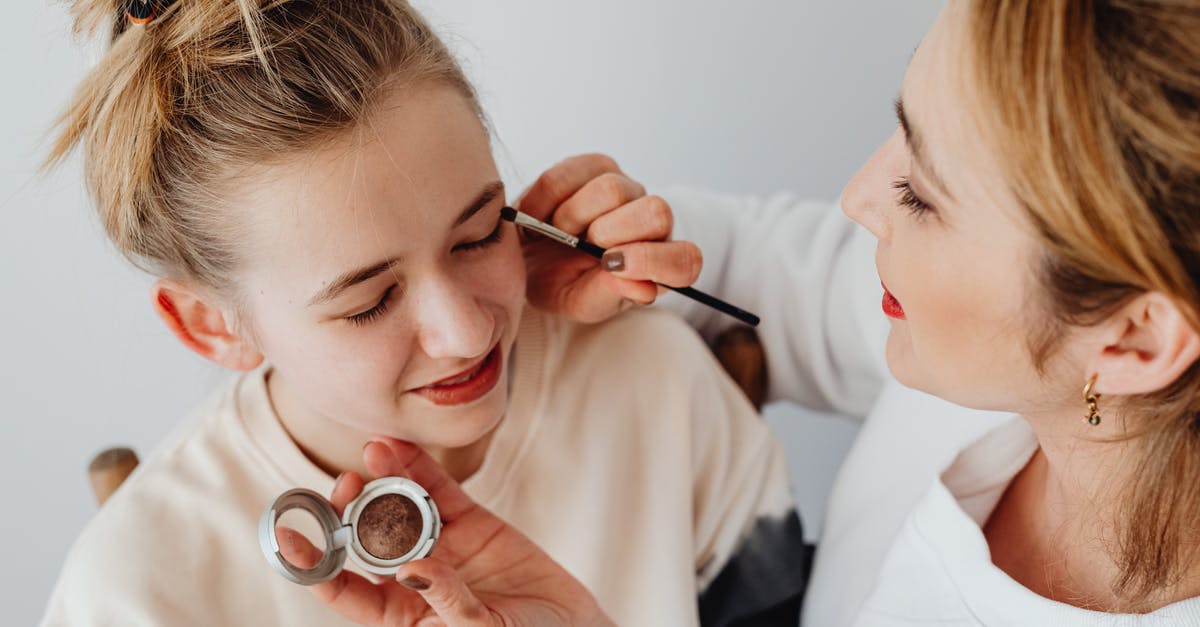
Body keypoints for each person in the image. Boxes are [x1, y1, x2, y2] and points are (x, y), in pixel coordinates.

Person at [307, 0, 1200, 624]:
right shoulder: (990, 338)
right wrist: (595, 251)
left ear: (1131, 338)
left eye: (922, 196)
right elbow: (765, 277)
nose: (858, 196)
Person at [37, 1, 809, 625]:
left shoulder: (655, 387)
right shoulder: (135, 591)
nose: (469, 332)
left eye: (478, 235)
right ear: (210, 325)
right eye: (370, 302)